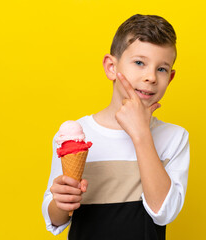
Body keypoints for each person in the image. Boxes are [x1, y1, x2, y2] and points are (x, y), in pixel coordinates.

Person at [42, 14, 190, 240]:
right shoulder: (76, 134)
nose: (150, 77)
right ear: (111, 67)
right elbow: (55, 218)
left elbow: (164, 213)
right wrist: (61, 202)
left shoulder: (175, 137)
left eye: (161, 69)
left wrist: (141, 134)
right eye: (139, 63)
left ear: (170, 78)